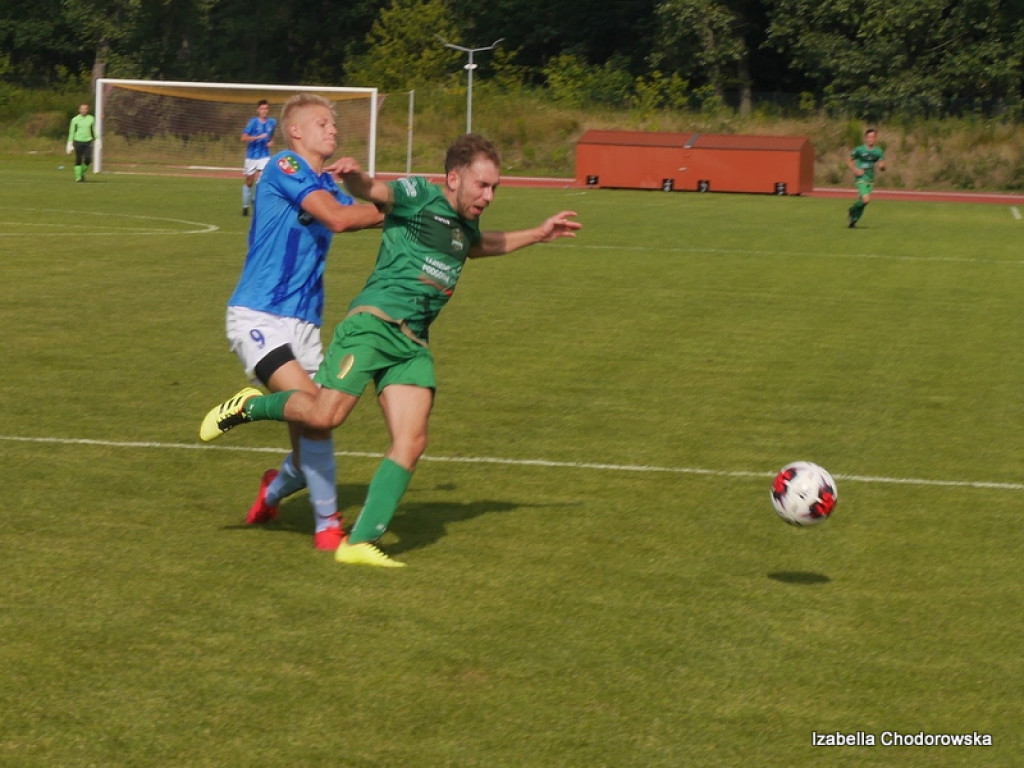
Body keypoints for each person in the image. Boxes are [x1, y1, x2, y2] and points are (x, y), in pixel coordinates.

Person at [201, 133, 582, 567]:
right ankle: (250, 407)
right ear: (453, 178)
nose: (489, 196)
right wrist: (357, 178)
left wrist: (538, 233)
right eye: (482, 185)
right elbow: (374, 192)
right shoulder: (417, 193)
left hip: (413, 341)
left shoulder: (464, 222)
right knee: (326, 416)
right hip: (373, 326)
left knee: (412, 441)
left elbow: (476, 247)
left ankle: (360, 542)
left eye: (496, 187)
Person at [223, 93, 384, 551]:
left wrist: (367, 186)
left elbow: (355, 207)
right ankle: (328, 527)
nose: (333, 130)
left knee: (318, 423)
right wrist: (405, 208)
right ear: (295, 131)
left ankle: (273, 490)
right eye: (322, 123)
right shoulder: (285, 167)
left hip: (304, 325)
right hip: (258, 314)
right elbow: (337, 219)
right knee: (316, 408)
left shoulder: (326, 182)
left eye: (333, 124)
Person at [240, 99, 278, 216]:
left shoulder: (272, 122)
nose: (264, 111)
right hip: (252, 156)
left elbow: (271, 136)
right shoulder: (253, 123)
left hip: (264, 156)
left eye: (266, 109)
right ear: (258, 110)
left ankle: (257, 201)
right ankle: (245, 206)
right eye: (262, 109)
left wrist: (271, 142)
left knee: (263, 180)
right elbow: (243, 138)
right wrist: (257, 138)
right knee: (249, 182)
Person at [846, 128, 886, 228]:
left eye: (873, 137)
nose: (870, 139)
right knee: (866, 200)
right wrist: (855, 169)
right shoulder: (859, 150)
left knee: (864, 203)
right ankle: (853, 211)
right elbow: (849, 160)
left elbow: (882, 164)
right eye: (869, 137)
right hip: (861, 178)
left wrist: (882, 167)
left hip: (870, 179)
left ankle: (854, 218)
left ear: (875, 138)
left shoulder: (878, 151)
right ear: (865, 138)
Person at [66, 103, 96, 183]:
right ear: (79, 110)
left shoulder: (91, 118)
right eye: (82, 109)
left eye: (85, 109)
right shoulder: (75, 119)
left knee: (88, 159)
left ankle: (81, 172)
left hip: (88, 141)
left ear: (87, 110)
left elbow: (94, 130)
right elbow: (71, 132)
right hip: (78, 141)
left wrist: (98, 139)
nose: (83, 110)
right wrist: (69, 143)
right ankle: (78, 177)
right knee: (78, 159)